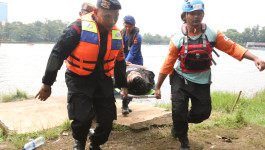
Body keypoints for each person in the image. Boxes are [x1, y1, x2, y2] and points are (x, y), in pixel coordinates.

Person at [155, 0, 265, 150]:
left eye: (199, 13)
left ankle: (179, 121)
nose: (196, 17)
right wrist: (158, 87)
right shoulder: (177, 39)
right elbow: (167, 65)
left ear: (203, 14)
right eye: (192, 14)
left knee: (203, 113)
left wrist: (255, 58)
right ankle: (183, 140)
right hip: (180, 78)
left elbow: (232, 47)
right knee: (178, 109)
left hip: (202, 81)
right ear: (185, 15)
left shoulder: (212, 34)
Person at [35, 0, 128, 150]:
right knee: (82, 118)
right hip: (78, 78)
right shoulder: (77, 29)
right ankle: (79, 142)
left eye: (116, 17)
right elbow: (57, 55)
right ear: (96, 13)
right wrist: (47, 84)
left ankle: (95, 143)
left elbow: (120, 62)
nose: (112, 21)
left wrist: (123, 85)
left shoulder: (117, 34)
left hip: (103, 79)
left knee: (107, 119)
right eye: (108, 16)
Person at [121, 16, 143, 114]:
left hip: (135, 60)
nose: (128, 28)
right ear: (123, 24)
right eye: (126, 26)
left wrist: (125, 63)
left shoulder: (137, 36)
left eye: (130, 26)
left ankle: (127, 103)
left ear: (134, 26)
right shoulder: (120, 33)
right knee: (124, 82)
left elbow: (133, 53)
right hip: (123, 58)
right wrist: (121, 62)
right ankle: (124, 105)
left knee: (133, 81)